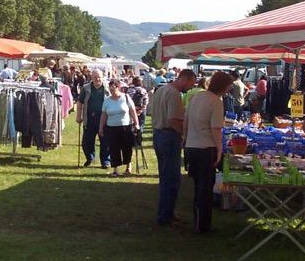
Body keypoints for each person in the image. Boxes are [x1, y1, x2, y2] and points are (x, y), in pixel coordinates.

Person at [184, 71, 234, 234]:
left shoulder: (196, 97)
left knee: (199, 186)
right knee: (205, 189)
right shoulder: (216, 102)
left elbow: (186, 121)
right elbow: (216, 129)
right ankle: (202, 226)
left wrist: (185, 141)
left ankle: (198, 222)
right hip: (205, 147)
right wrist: (220, 149)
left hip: (192, 146)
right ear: (224, 86)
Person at [150, 69, 195, 226]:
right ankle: (165, 216)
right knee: (171, 178)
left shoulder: (161, 89)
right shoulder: (174, 94)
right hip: (169, 136)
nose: (191, 87)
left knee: (165, 177)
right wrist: (184, 135)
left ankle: (166, 212)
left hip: (158, 135)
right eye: (191, 83)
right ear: (184, 79)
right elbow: (173, 120)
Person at [99, 79, 139, 177]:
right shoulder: (107, 101)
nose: (111, 91)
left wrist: (136, 123)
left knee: (127, 148)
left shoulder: (126, 97)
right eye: (110, 89)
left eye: (113, 88)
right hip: (111, 128)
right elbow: (103, 115)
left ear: (118, 87)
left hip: (126, 127)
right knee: (114, 149)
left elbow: (133, 111)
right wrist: (101, 128)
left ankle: (128, 167)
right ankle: (115, 169)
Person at [77, 70, 109, 168]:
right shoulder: (86, 88)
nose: (97, 79)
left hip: (104, 118)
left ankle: (105, 161)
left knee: (105, 141)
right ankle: (90, 158)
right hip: (90, 118)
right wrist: (78, 116)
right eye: (95, 77)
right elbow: (80, 102)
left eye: (99, 77)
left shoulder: (107, 88)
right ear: (91, 77)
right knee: (87, 141)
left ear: (102, 77)